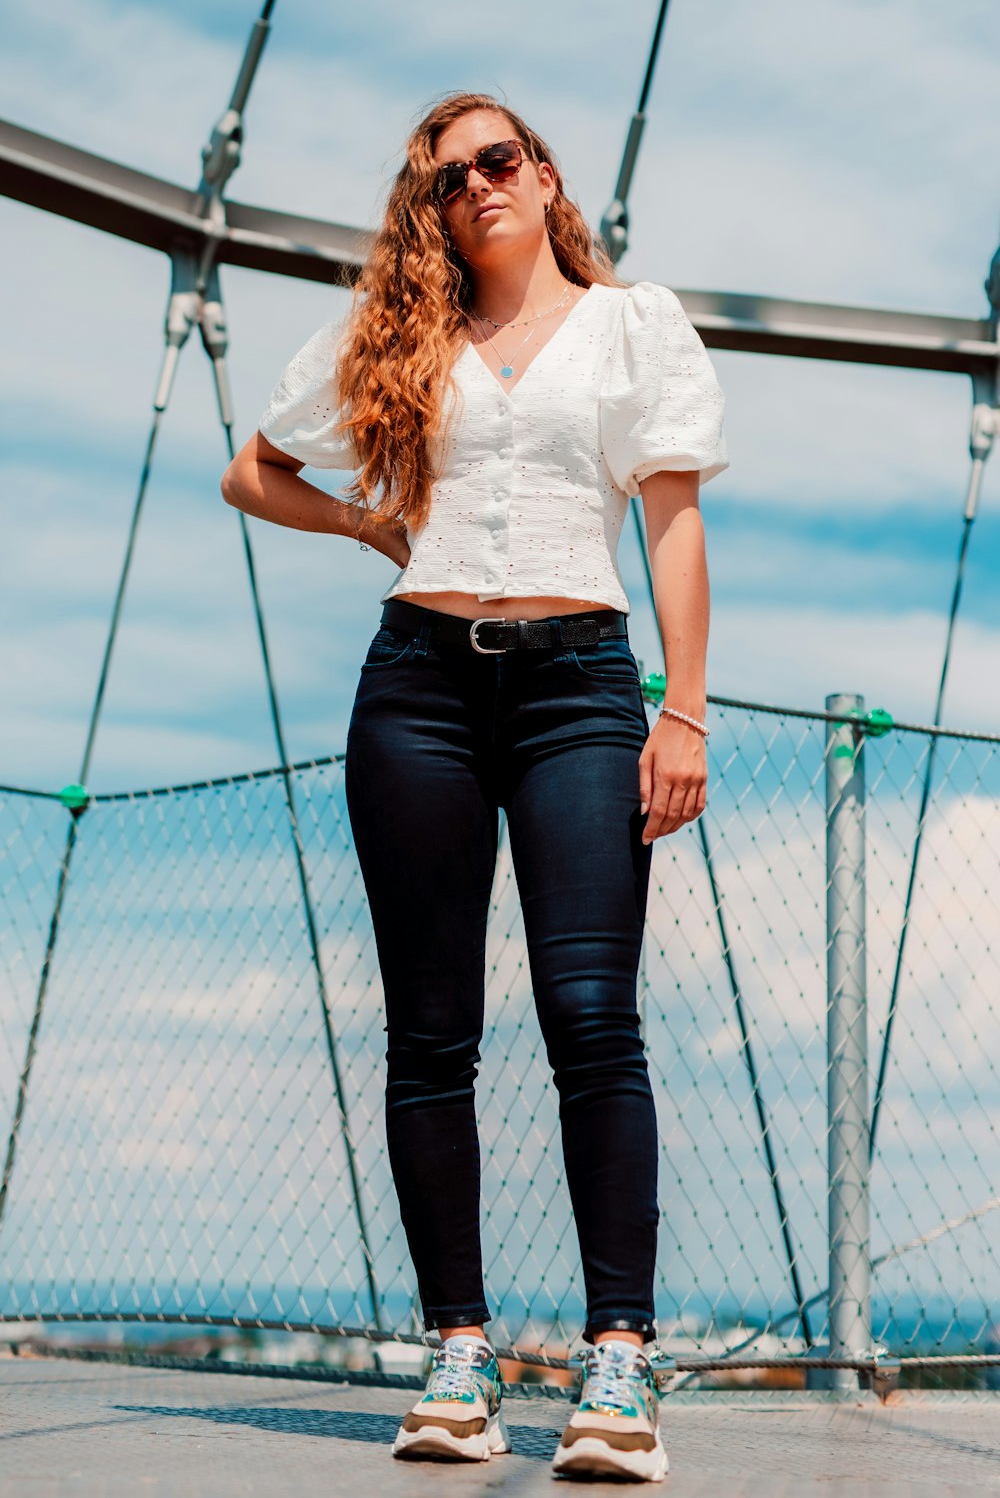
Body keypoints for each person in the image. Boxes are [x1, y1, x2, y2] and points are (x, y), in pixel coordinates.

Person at [221, 89, 728, 1484]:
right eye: (448, 181)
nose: (476, 188)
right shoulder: (399, 342)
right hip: (419, 691)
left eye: (497, 161)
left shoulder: (636, 327)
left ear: (547, 174)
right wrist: (372, 522)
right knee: (429, 1032)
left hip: (579, 688)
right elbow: (250, 470)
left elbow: (674, 524)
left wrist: (680, 707)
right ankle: (461, 1352)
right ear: (431, 210)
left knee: (589, 1015)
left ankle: (617, 1363)